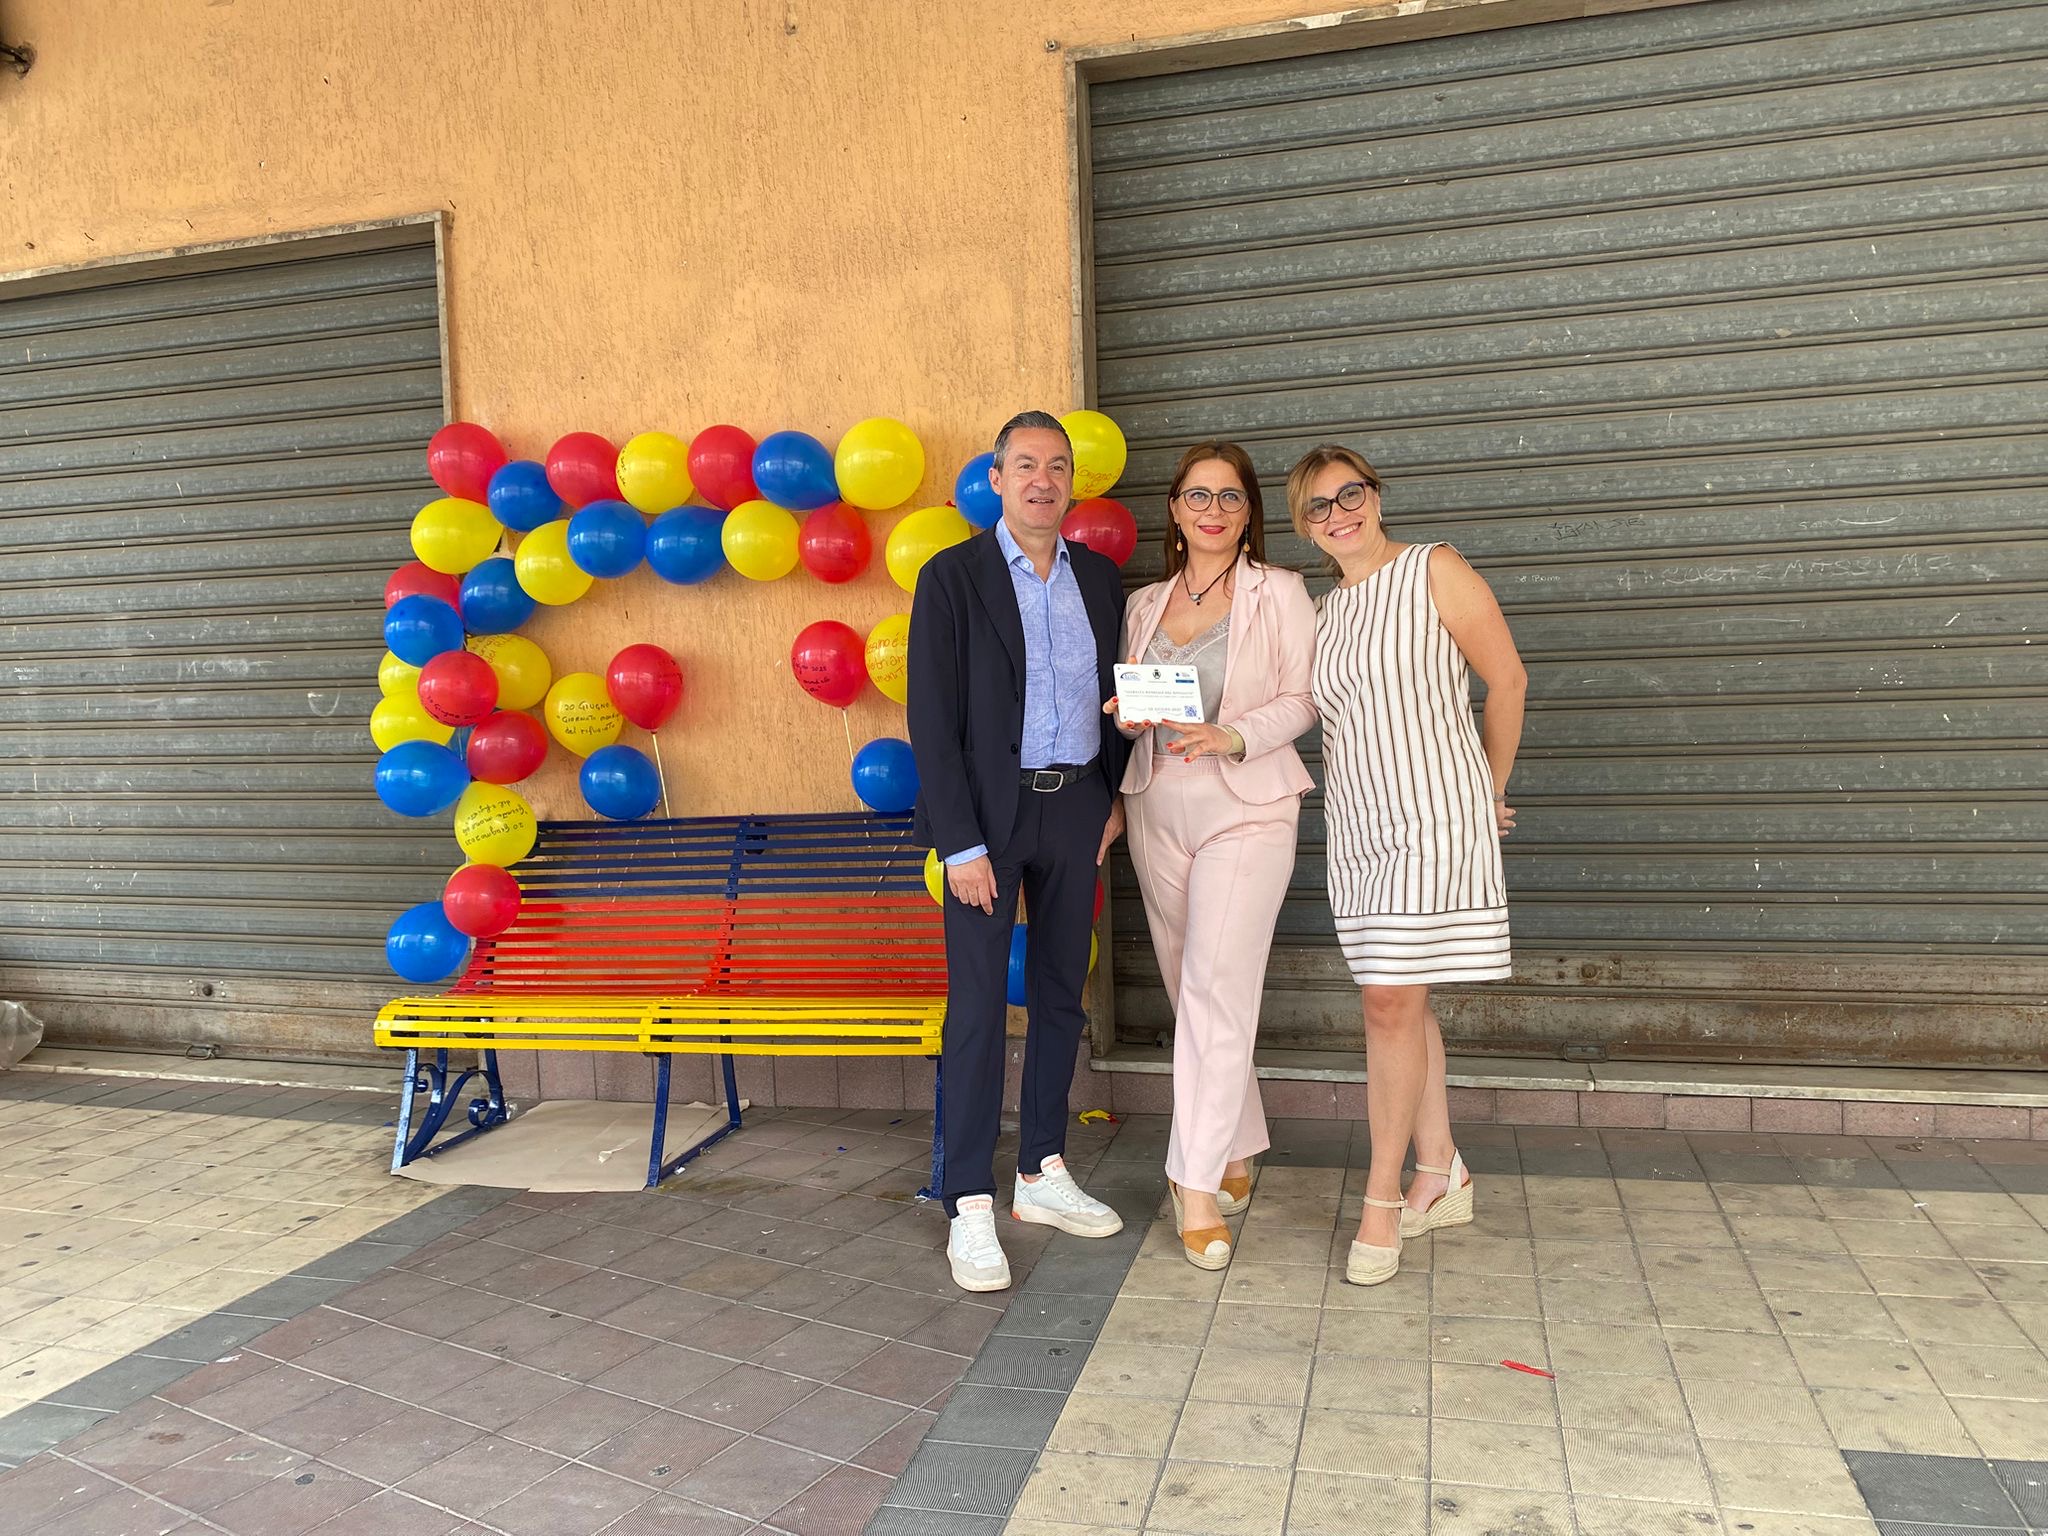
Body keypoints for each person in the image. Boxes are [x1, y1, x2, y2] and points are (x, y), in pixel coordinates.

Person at [1289, 444, 1527, 1287]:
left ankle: (1381, 1199)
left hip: (1433, 821)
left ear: (1377, 496)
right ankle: (1441, 1168)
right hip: (1358, 829)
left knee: (1389, 1000)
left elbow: (1507, 681)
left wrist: (1489, 790)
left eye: (1350, 493)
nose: (1339, 513)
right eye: (1319, 506)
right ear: (1305, 527)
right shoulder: (1323, 614)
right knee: (1403, 996)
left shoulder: (1434, 568)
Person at [907, 409, 1131, 1293]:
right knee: (975, 1009)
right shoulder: (952, 577)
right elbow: (932, 719)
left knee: (1060, 997)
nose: (1044, 480)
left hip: (1076, 809)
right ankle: (968, 1198)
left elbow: (1120, 697)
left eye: (1058, 466)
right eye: (1026, 465)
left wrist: (1113, 799)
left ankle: (1040, 1170)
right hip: (987, 826)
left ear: (1073, 483)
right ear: (996, 480)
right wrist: (959, 842)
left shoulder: (1101, 579)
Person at [1107, 443, 1317, 1270]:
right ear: (1175, 508)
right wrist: (1127, 718)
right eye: (1199, 495)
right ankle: (1235, 1143)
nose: (1214, 510)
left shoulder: (1281, 591)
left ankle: (1191, 1183)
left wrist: (1233, 734)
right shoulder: (1142, 603)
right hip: (1157, 799)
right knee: (1190, 986)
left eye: (1230, 497)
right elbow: (1135, 702)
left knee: (1214, 988)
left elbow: (1303, 697)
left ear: (1249, 511)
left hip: (1248, 806)